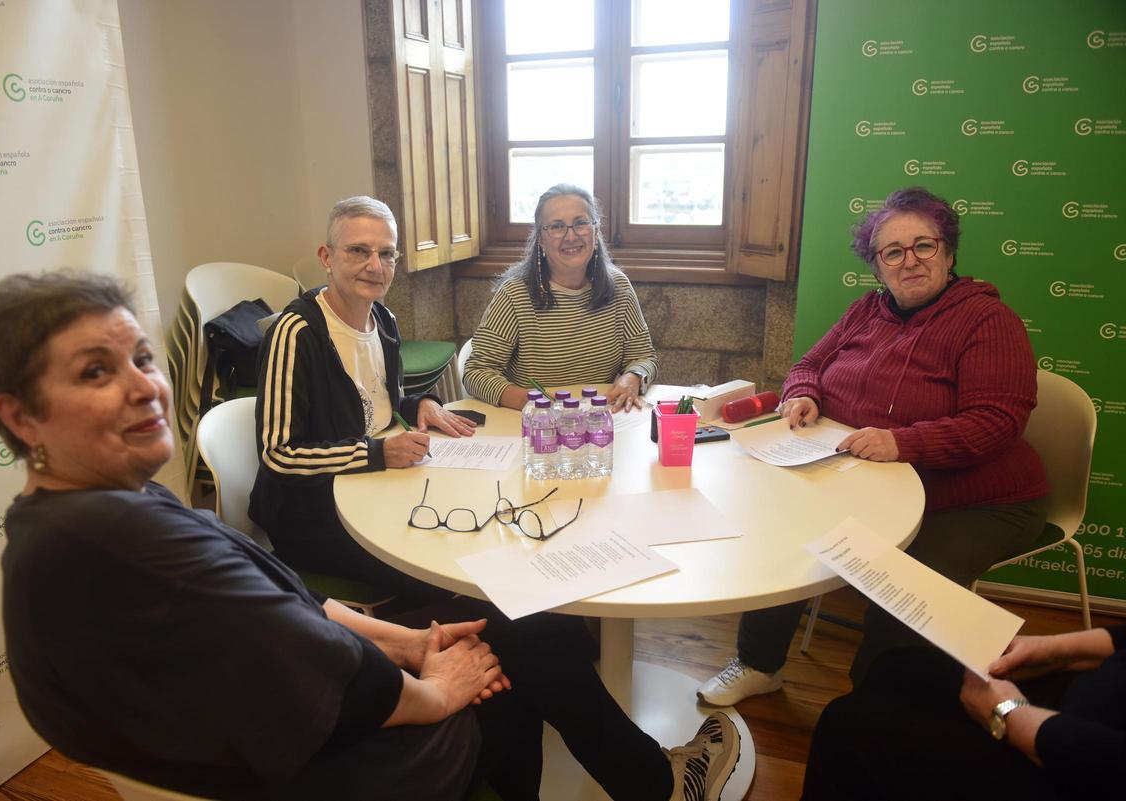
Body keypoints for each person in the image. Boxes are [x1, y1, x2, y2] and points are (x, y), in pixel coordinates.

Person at [0, 270, 742, 801]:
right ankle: (660, 785)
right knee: (529, 640)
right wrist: (433, 689)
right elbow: (315, 666)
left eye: (142, 358)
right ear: (20, 415)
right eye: (94, 372)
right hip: (329, 770)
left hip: (269, 731)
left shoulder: (83, 516)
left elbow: (292, 607)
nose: (144, 383)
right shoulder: (120, 543)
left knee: (514, 626)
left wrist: (414, 641)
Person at [699, 186, 1049, 707]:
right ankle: (758, 663)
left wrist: (902, 442)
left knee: (902, 585)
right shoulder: (867, 310)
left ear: (948, 252)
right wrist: (802, 396)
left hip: (975, 498)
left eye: (923, 246)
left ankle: (873, 709)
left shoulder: (988, 320)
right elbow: (808, 366)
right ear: (878, 266)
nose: (910, 261)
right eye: (893, 252)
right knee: (782, 530)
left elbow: (996, 422)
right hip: (866, 478)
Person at [249, 196, 476, 603]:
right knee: (450, 571)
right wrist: (377, 454)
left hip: (376, 486)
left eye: (386, 253)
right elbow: (279, 454)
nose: (375, 265)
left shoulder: (382, 318)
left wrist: (419, 404)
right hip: (314, 514)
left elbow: (381, 402)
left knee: (471, 529)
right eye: (358, 251)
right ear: (326, 256)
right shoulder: (296, 333)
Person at [801, 626, 1125, 800]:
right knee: (899, 665)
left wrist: (1008, 714)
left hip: (1079, 771)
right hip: (1091, 696)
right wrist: (1054, 649)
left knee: (847, 726)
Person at [463, 183, 658, 412]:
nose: (571, 236)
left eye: (581, 223)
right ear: (541, 240)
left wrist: (632, 378)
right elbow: (476, 372)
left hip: (597, 421)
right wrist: (525, 400)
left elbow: (644, 357)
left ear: (596, 233)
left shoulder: (619, 287)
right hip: (532, 426)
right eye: (556, 227)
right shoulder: (515, 294)